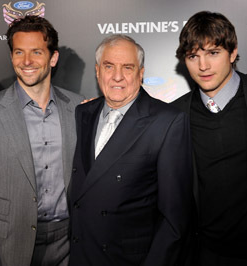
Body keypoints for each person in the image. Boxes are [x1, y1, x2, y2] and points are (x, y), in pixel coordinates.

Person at [0, 16, 84, 266]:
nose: (27, 61)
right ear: (11, 57)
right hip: (10, 244)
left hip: (70, 242)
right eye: (19, 52)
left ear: (53, 58)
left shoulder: (79, 107)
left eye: (36, 52)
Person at [172, 11, 247, 266]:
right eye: (193, 56)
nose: (203, 66)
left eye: (213, 53)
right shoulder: (175, 115)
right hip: (205, 255)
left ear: (233, 53)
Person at [69, 34, 193, 266]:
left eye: (127, 67)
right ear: (97, 71)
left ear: (141, 72)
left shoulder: (167, 122)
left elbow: (174, 218)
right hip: (81, 254)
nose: (117, 77)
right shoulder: (83, 113)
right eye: (109, 66)